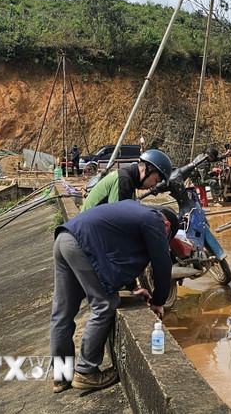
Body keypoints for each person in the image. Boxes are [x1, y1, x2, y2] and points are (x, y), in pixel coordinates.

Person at [50, 200, 180, 393]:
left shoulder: (134, 211)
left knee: (62, 313)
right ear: (167, 225)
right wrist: (158, 302)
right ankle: (86, 371)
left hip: (64, 238)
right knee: (104, 304)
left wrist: (133, 287)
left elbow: (118, 254)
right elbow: (162, 264)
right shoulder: (154, 220)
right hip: (80, 245)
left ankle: (61, 376)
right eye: (166, 236)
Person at [81, 149, 172, 211]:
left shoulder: (129, 179)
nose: (154, 186)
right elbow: (118, 219)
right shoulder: (124, 180)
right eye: (156, 180)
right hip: (89, 231)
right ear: (147, 169)